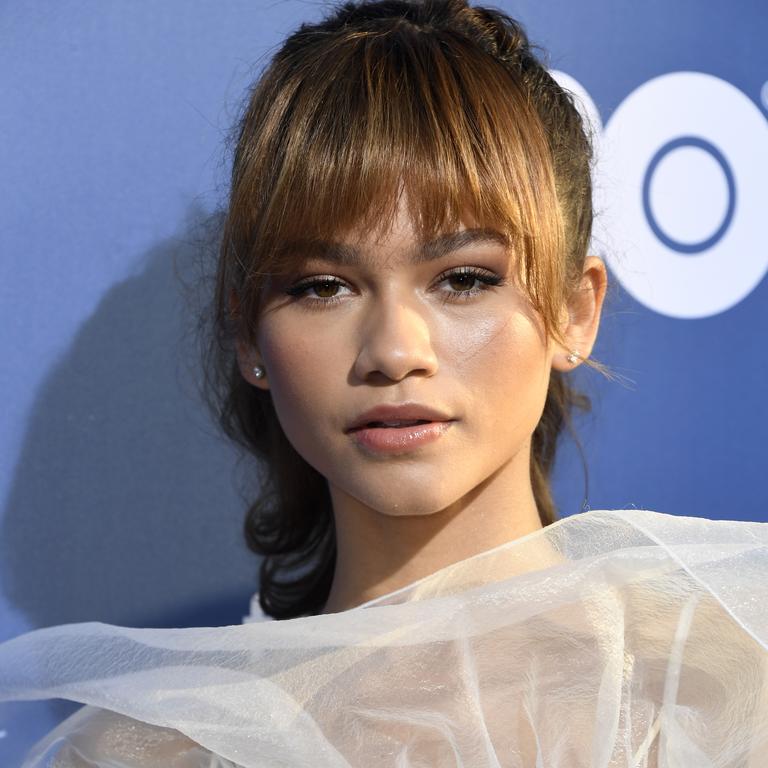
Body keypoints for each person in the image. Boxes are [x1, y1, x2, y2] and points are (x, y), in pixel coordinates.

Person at [1, 1, 766, 766]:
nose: (395, 351)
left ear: (575, 311)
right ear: (247, 335)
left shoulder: (732, 692)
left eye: (464, 278)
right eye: (323, 287)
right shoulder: (155, 753)